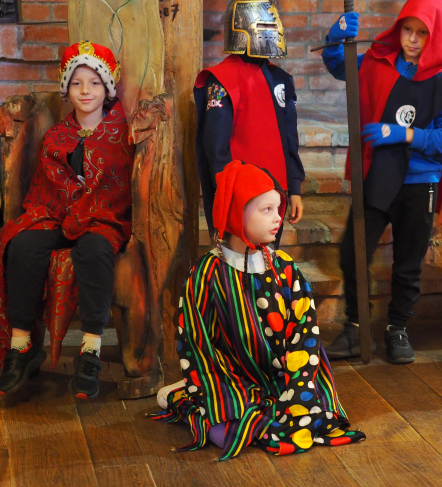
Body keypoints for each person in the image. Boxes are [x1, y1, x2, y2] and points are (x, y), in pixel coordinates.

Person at [151, 160, 365, 460]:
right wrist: (220, 393)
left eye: (278, 209)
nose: (278, 218)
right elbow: (197, 344)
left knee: (310, 417)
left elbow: (305, 335)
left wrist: (298, 386)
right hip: (230, 379)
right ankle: (187, 398)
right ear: (237, 213)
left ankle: (275, 406)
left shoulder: (285, 270)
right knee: (227, 433)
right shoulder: (206, 275)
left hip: (281, 376)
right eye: (266, 210)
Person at [320, 0, 442, 362]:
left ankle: (397, 328)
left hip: (419, 182)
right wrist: (335, 39)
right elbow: (341, 67)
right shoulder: (378, 64)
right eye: (408, 29)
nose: (412, 39)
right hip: (378, 176)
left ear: (435, 36)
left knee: (407, 263)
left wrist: (403, 133)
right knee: (352, 253)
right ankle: (356, 328)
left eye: (422, 33)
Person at [0, 41, 133, 398]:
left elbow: (118, 190)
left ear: (107, 88)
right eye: (77, 83)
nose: (86, 91)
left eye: (95, 83)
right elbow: (45, 189)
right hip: (57, 214)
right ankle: (21, 345)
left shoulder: (121, 135)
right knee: (22, 244)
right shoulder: (56, 136)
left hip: (101, 217)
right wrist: (66, 211)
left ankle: (90, 351)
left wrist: (87, 211)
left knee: (95, 249)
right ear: (66, 88)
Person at [194, 0, 305, 244]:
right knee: (237, 257)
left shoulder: (281, 80)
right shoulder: (221, 80)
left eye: (272, 25)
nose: (270, 32)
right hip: (240, 193)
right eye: (263, 25)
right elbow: (215, 146)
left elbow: (290, 138)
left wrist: (295, 187)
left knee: (268, 257)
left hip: (275, 191)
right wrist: (227, 194)